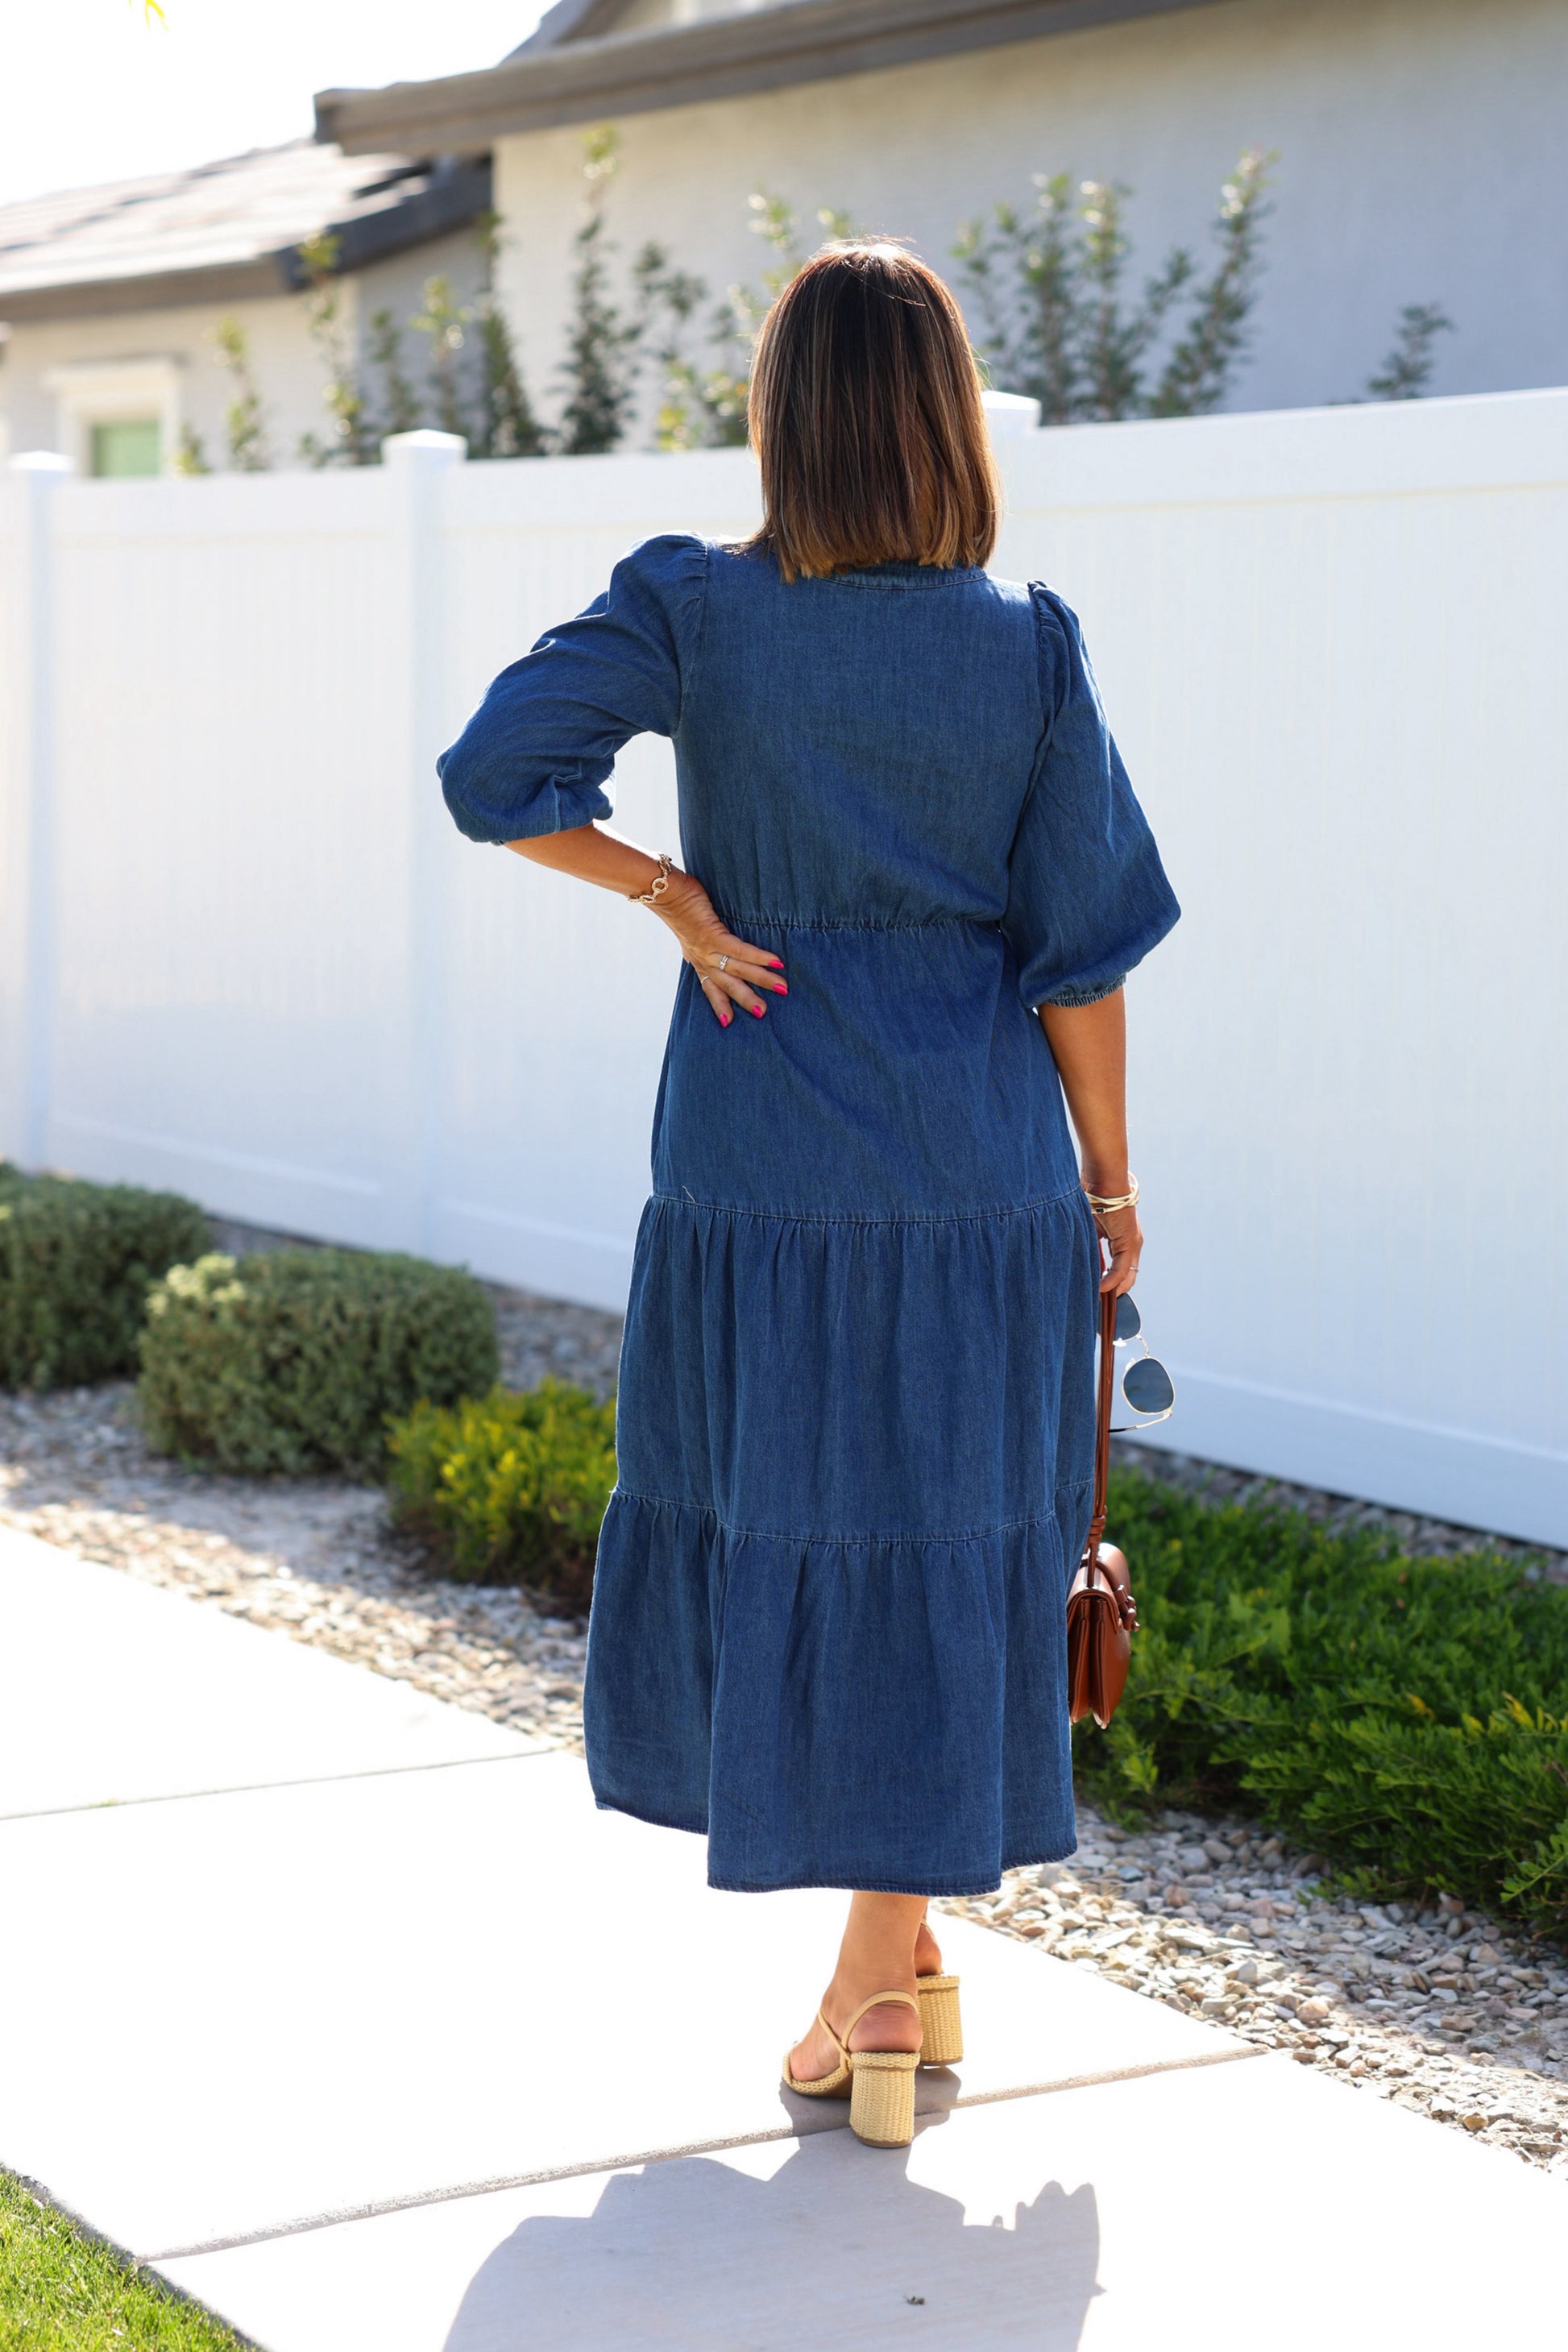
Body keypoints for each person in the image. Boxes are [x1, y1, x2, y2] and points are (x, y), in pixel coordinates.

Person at [438, 243, 1179, 2148]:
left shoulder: (694, 605)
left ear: (783, 410)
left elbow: (498, 772)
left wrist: (671, 896)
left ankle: (873, 1983)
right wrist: (1109, 1181)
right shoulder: (1025, 644)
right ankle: (896, 1956)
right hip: (973, 1163)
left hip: (758, 1149)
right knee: (934, 1527)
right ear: (943, 416)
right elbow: (1080, 956)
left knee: (809, 1514)